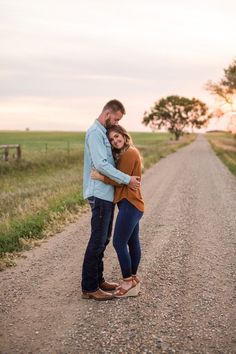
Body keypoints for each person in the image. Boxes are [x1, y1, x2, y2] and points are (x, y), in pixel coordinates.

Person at [81, 99, 141, 301]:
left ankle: (98, 281)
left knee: (103, 240)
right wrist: (127, 179)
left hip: (106, 195)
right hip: (99, 194)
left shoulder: (102, 134)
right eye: (115, 118)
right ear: (108, 114)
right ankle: (90, 287)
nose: (116, 122)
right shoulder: (96, 133)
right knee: (98, 240)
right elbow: (102, 164)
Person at [91, 125, 144, 298]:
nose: (115, 141)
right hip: (132, 204)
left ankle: (127, 281)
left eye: (117, 136)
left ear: (123, 134)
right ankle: (133, 278)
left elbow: (120, 179)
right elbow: (124, 179)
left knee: (119, 243)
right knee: (131, 241)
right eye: (112, 140)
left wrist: (101, 177)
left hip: (129, 204)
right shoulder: (128, 152)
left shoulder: (129, 153)